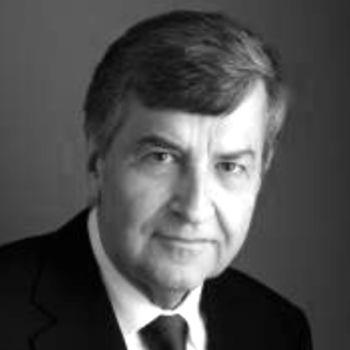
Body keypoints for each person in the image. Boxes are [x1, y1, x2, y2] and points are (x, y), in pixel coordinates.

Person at [0, 9, 312, 350]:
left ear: (260, 173)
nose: (194, 209)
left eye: (229, 166)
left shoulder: (279, 329)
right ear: (98, 157)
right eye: (161, 157)